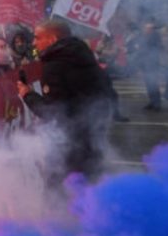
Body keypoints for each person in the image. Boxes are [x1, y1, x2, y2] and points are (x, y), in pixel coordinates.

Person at [18, 20, 113, 180]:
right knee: (90, 186)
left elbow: (53, 112)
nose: (34, 43)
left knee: (61, 191)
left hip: (70, 143)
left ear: (52, 39)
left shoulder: (56, 64)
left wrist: (27, 94)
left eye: (37, 37)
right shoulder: (82, 55)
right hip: (92, 136)